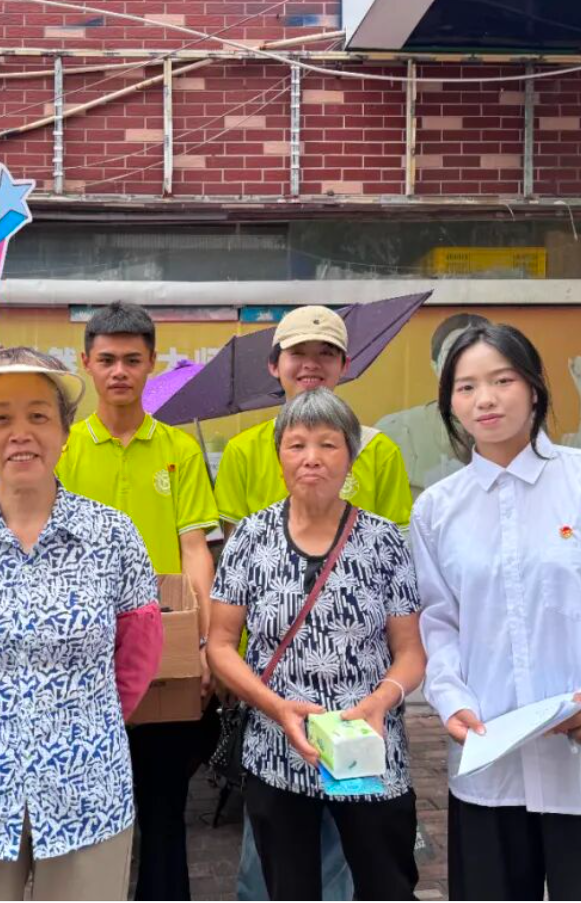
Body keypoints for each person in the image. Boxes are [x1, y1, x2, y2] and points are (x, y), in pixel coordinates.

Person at [411, 323, 581, 900]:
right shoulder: (437, 510)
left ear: (535, 388)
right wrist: (452, 698)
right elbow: (440, 626)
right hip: (492, 764)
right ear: (449, 404)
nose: (485, 399)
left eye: (502, 380)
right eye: (466, 387)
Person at [0, 347, 166, 900]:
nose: (20, 433)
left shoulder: (113, 536)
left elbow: (136, 658)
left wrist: (79, 724)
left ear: (65, 433)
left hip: (85, 788)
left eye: (38, 416)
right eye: (1, 418)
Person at [214, 305, 413, 901]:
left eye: (328, 445)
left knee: (384, 883)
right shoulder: (251, 536)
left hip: (370, 748)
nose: (312, 458)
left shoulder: (383, 540)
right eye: (297, 445)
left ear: (350, 457)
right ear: (278, 455)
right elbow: (221, 644)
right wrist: (275, 707)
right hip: (277, 748)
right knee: (285, 885)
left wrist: (379, 703)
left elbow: (410, 649)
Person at [54, 302, 219, 900]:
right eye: (106, 360)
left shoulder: (178, 450)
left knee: (164, 806)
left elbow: (195, 549)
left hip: (163, 652)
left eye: (131, 359)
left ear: (151, 363)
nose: (119, 371)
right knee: (83, 812)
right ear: (86, 363)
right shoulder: (63, 448)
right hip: (81, 657)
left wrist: (203, 642)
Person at [376, 312, 491, 496]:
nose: (465, 363)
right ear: (435, 365)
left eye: (477, 352)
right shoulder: (394, 431)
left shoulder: (521, 431)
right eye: (452, 352)